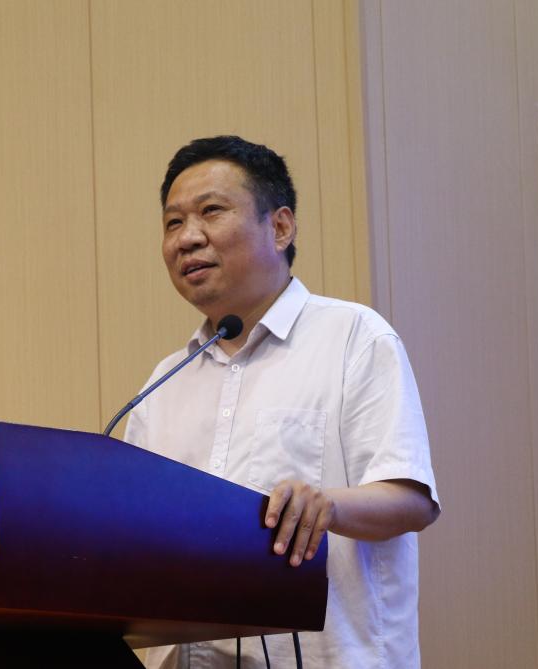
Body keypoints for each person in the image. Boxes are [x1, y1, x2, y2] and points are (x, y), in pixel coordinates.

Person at [124, 136, 440, 668]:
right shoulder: (164, 383)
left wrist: (327, 505)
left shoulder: (354, 338)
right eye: (173, 222)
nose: (187, 238)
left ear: (280, 227)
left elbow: (412, 499)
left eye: (211, 211)